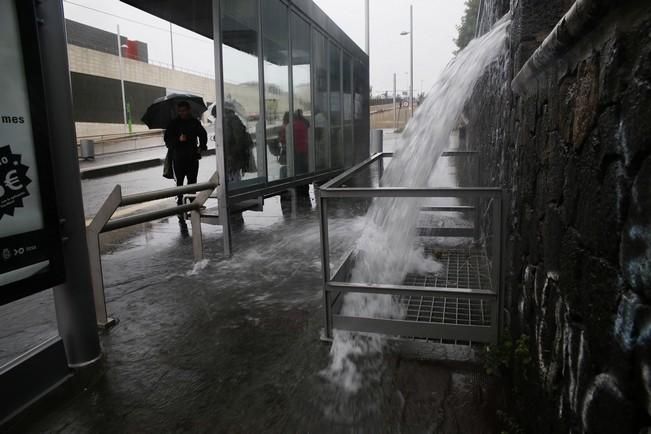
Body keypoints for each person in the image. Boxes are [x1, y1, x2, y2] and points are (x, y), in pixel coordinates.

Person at [164, 101, 208, 206]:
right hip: (178, 158)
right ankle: (180, 201)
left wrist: (201, 147)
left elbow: (203, 134)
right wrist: (178, 139)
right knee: (179, 181)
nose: (182, 113)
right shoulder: (173, 124)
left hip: (192, 156)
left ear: (189, 110)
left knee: (192, 181)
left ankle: (193, 202)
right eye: (180, 111)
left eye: (184, 110)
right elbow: (168, 141)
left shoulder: (194, 122)